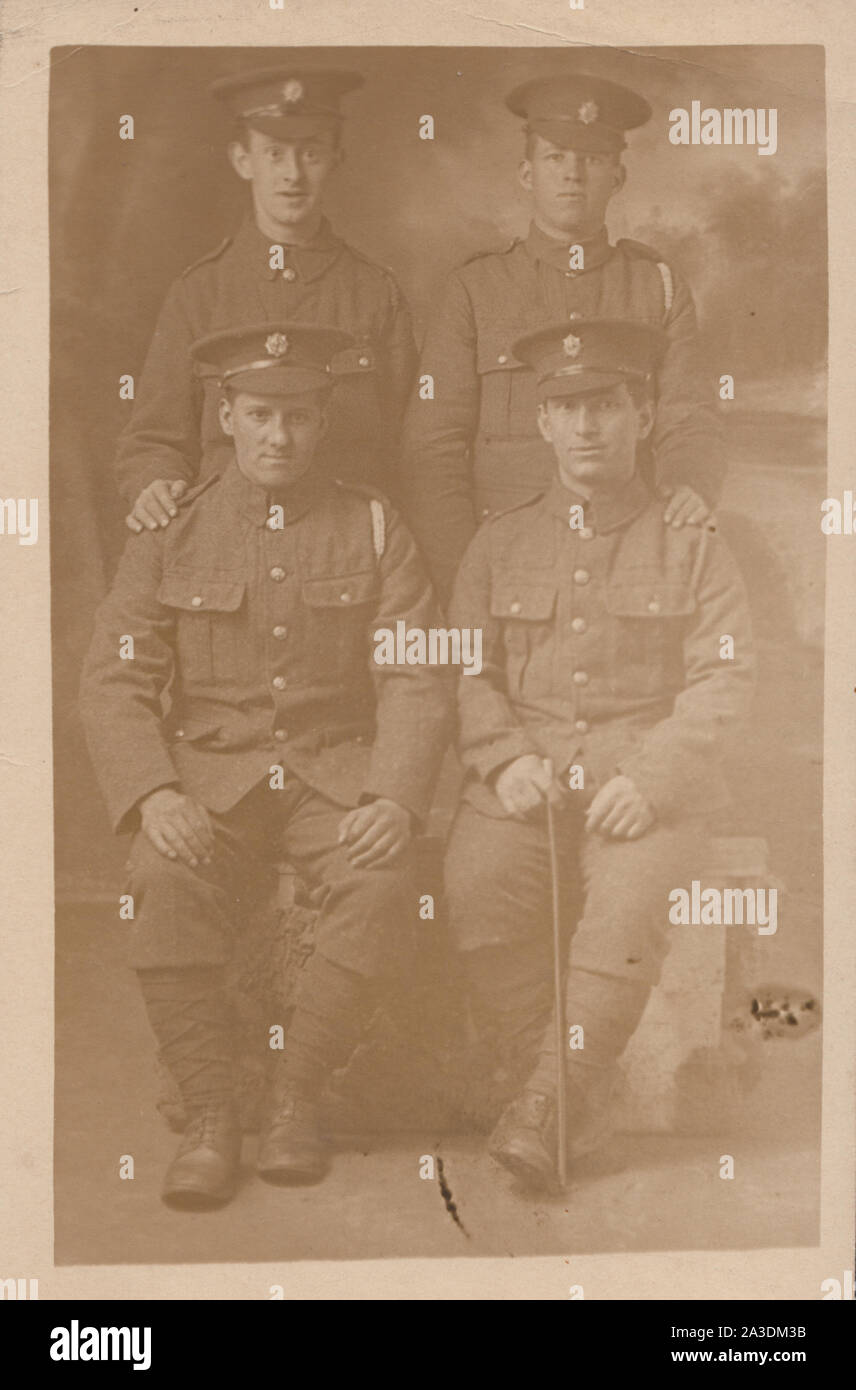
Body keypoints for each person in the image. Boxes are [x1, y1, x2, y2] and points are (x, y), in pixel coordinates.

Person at [81, 323, 450, 1208]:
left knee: (383, 877)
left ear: (323, 422)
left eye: (297, 416)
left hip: (334, 773)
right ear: (226, 417)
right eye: (259, 415)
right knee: (160, 877)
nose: (278, 437)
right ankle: (213, 1114)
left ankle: (296, 1098)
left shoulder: (371, 522)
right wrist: (154, 790)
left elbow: (416, 671)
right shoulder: (173, 529)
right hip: (212, 778)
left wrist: (395, 795)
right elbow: (113, 679)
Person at [443, 318, 753, 1191]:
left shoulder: (692, 540)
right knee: (475, 891)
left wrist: (653, 780)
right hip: (527, 774)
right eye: (568, 407)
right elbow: (466, 666)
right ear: (542, 423)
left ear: (645, 414)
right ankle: (581, 1092)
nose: (588, 427)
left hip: (645, 779)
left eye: (608, 405)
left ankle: (543, 1109)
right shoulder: (498, 540)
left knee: (624, 910)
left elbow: (727, 678)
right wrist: (503, 757)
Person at [401, 72, 725, 603]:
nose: (573, 175)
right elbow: (431, 450)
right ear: (527, 174)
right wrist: (467, 574)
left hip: (628, 560)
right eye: (555, 158)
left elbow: (689, 414)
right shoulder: (474, 290)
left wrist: (689, 484)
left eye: (592, 160)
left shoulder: (656, 285)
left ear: (617, 178)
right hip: (501, 560)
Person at [117, 66, 416, 533]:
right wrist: (155, 483)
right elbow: (154, 440)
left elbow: (409, 447)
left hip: (346, 545)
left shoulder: (376, 294)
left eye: (310, 152)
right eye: (274, 153)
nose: (292, 174)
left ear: (336, 158)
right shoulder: (198, 294)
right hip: (223, 541)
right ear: (242, 160)